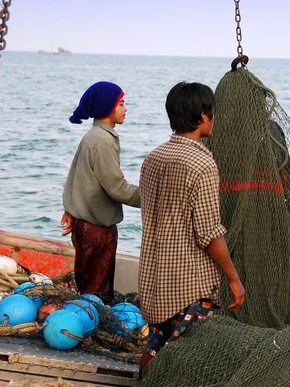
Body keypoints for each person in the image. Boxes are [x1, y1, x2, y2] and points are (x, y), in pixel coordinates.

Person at [138, 82, 245, 375]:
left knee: (155, 346)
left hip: (155, 280)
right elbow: (209, 232)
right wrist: (233, 279)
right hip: (189, 284)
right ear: (201, 117)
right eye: (212, 113)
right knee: (184, 362)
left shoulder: (153, 158)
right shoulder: (201, 162)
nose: (214, 118)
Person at [61, 81, 140, 300]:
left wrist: (70, 209)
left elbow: (76, 177)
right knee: (96, 296)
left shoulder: (93, 136)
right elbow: (117, 188)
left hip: (85, 226)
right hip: (96, 231)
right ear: (108, 108)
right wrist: (152, 195)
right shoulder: (103, 141)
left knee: (90, 290)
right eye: (121, 103)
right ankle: (88, 332)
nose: (125, 109)